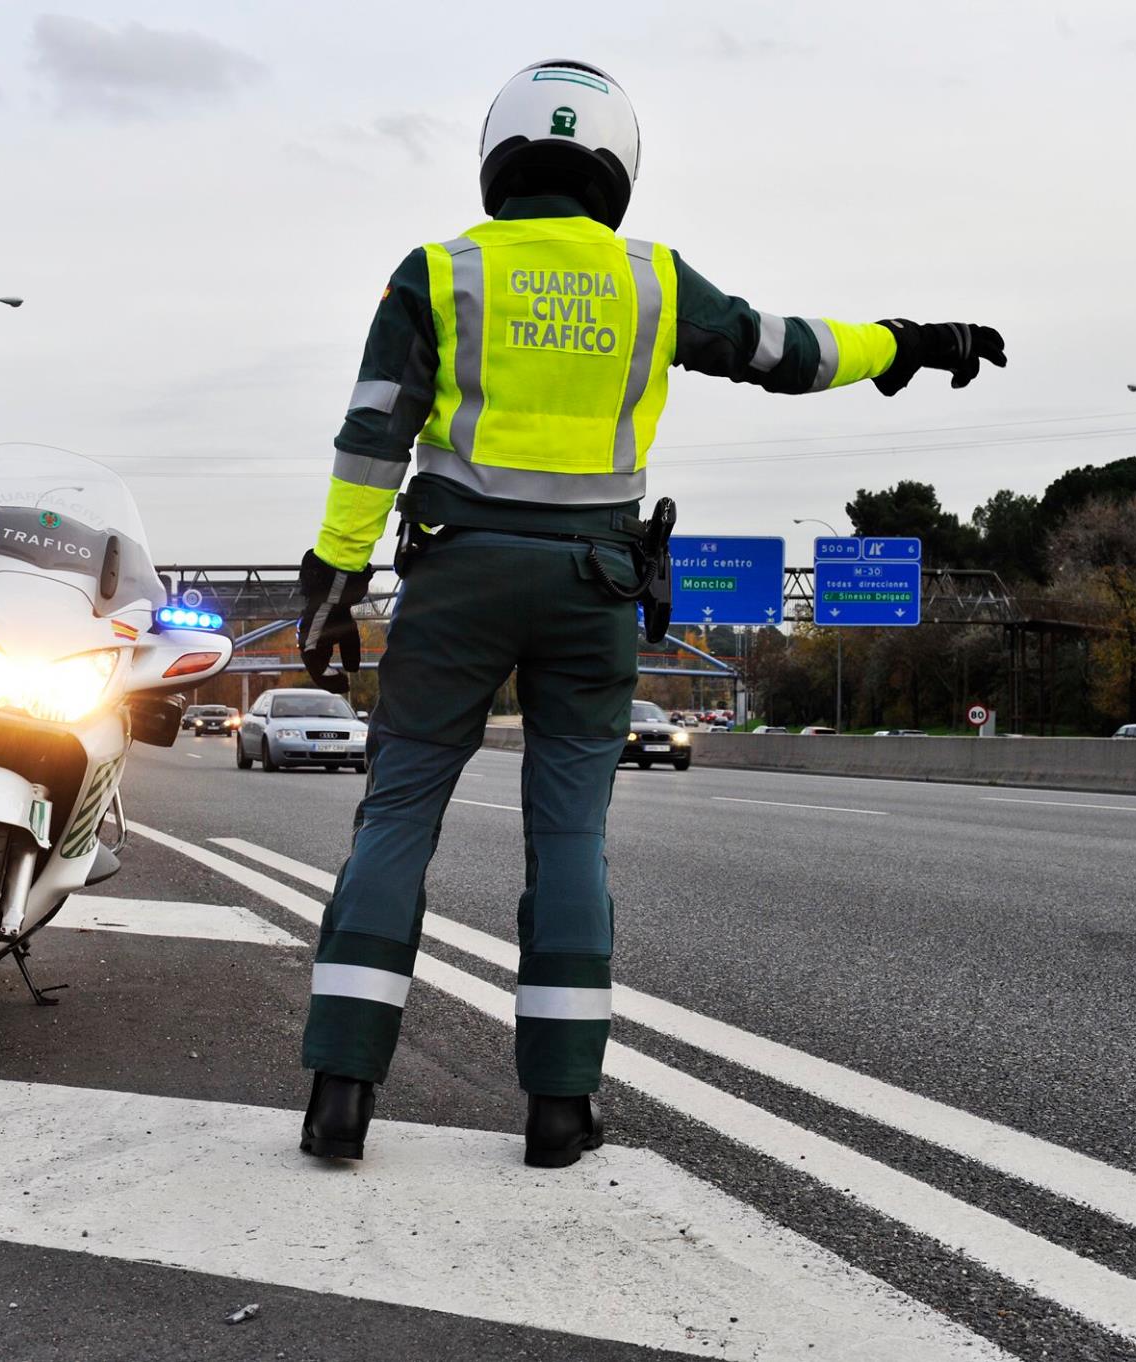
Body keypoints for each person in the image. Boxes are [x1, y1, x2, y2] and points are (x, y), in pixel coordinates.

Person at [293, 59, 1006, 1167]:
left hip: (457, 579)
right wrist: (907, 342)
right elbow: (785, 350)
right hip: (591, 590)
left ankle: (341, 1091)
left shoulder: (437, 272)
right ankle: (559, 1109)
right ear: (615, 165)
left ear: (498, 156)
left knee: (395, 819)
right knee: (567, 839)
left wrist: (333, 582)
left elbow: (373, 433)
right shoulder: (652, 280)